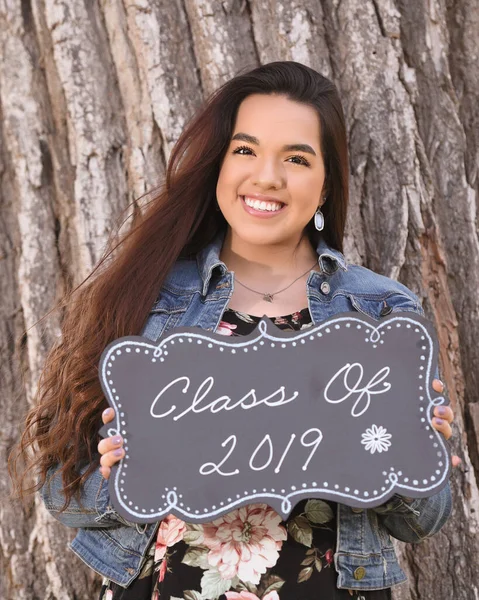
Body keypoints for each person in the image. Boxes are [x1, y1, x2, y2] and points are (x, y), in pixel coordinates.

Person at [13, 61, 456, 600]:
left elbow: (421, 521)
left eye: (296, 158)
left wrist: (411, 458)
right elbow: (58, 491)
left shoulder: (381, 311)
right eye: (245, 150)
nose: (266, 176)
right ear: (219, 165)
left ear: (325, 186)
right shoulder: (147, 297)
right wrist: (118, 480)